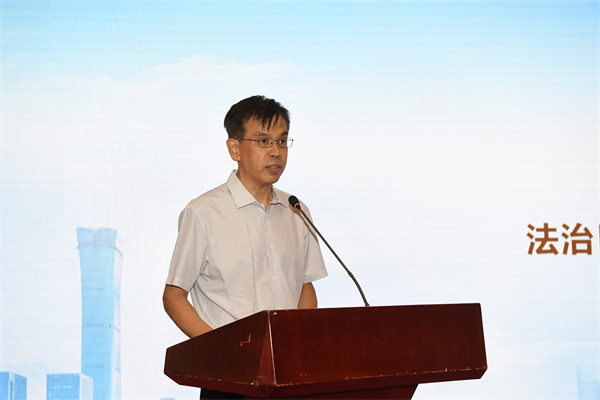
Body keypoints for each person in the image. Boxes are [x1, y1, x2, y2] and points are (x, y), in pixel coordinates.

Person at [163, 95, 328, 399]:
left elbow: (305, 287)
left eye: (282, 141)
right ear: (234, 149)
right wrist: (221, 350)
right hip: (228, 378)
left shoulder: (296, 210)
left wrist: (299, 342)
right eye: (264, 141)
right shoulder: (203, 212)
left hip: (289, 376)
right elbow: (174, 296)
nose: (276, 152)